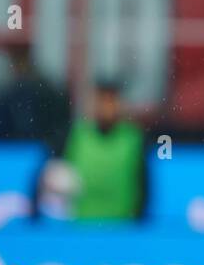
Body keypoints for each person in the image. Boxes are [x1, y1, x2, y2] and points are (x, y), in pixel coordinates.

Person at [61, 81, 148, 222]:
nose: (107, 108)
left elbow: (144, 187)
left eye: (111, 101)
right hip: (81, 228)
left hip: (123, 229)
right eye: (102, 101)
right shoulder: (74, 136)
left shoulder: (135, 139)